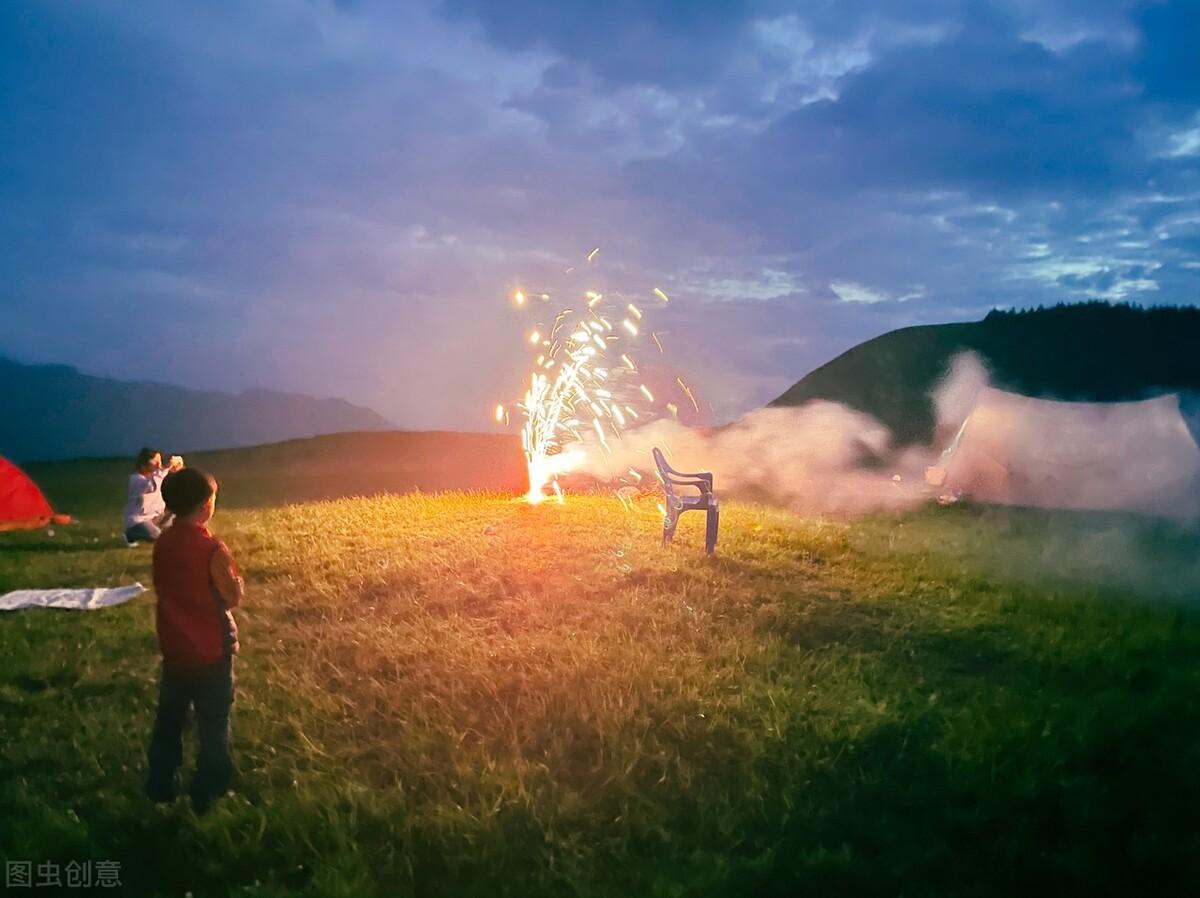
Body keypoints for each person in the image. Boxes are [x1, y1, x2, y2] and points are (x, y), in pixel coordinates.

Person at [145, 467, 244, 815]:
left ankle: (161, 783)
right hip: (213, 652)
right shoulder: (212, 549)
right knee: (213, 723)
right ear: (205, 507)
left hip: (175, 651)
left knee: (169, 721)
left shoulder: (162, 544)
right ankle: (210, 790)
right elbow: (231, 595)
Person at [123, 447, 184, 543]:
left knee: (178, 514)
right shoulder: (135, 480)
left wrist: (178, 468)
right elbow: (151, 486)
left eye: (160, 461)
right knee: (158, 536)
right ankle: (130, 534)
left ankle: (164, 531)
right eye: (155, 461)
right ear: (144, 464)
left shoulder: (156, 477)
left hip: (156, 518)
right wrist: (166, 467)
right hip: (139, 521)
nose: (159, 465)